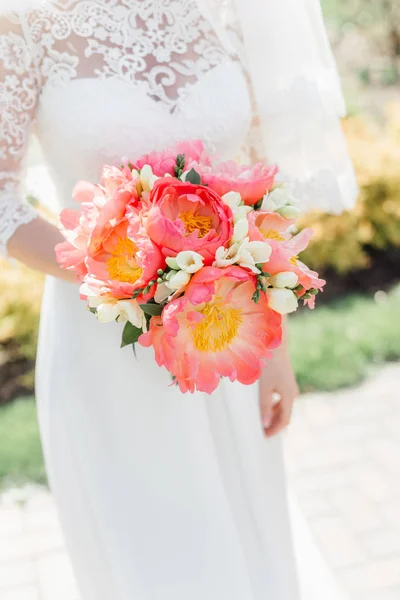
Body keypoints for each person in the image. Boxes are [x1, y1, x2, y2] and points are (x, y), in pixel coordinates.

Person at [0, 1, 357, 599]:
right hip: (108, 346)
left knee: (251, 531)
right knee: (158, 551)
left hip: (226, 337)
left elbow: (255, 186)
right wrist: (135, 270)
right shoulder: (27, 22)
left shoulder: (226, 14)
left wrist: (274, 344)